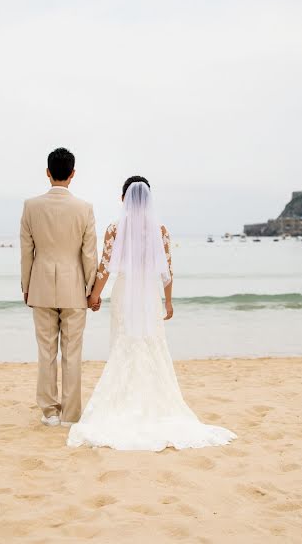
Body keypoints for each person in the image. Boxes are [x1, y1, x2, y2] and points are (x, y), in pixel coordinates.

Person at [66, 177, 237, 451]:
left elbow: (105, 267)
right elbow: (166, 271)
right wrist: (167, 303)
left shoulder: (114, 229)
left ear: (123, 199)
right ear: (149, 200)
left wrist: (94, 295)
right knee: (150, 344)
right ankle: (153, 402)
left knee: (124, 342)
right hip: (148, 296)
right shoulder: (160, 229)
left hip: (124, 294)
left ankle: (125, 401)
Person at [20, 148, 98, 427]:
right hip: (75, 288)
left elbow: (26, 251)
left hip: (40, 285)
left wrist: (26, 286)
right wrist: (92, 290)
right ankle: (71, 415)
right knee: (72, 352)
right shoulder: (85, 208)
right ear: (73, 174)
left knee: (46, 351)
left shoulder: (31, 206)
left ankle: (49, 411)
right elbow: (90, 255)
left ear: (48, 172)